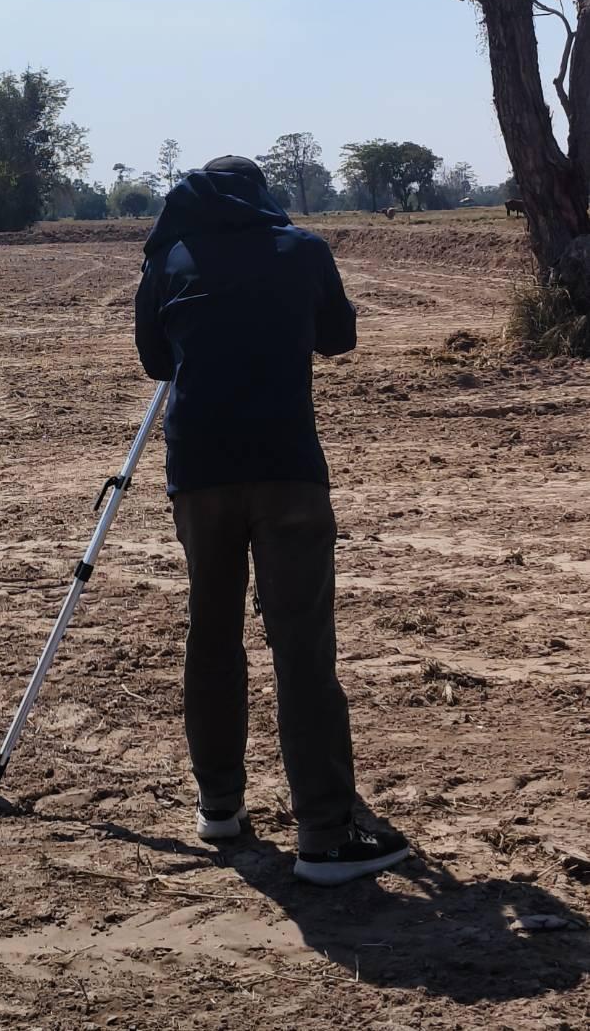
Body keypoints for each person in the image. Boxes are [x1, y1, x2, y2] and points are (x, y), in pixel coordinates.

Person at [134, 155, 409, 886]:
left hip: (198, 474)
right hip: (287, 469)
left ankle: (219, 802)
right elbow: (338, 336)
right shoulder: (304, 249)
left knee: (212, 633)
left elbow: (154, 359)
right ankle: (322, 830)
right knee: (302, 646)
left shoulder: (169, 257)